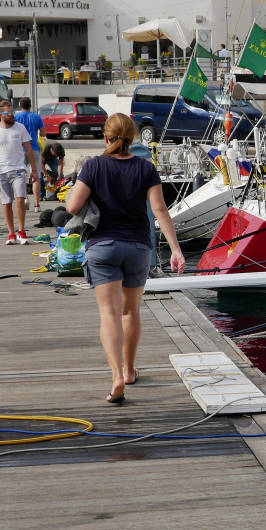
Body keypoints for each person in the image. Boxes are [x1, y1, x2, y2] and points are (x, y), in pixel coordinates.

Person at [65, 114, 185, 404]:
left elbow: (72, 206)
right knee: (130, 312)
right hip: (138, 247)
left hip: (103, 246)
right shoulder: (146, 168)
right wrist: (176, 250)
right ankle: (130, 371)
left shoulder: (93, 166)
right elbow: (160, 210)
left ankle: (116, 374)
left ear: (106, 138)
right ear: (133, 139)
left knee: (109, 314)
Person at [0, 104, 39, 245]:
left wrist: (34, 170)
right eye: (9, 112)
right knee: (7, 203)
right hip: (1, 171)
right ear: (1, 115)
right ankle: (11, 233)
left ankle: (21, 231)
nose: (13, 114)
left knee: (20, 200)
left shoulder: (20, 128)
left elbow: (29, 149)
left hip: (19, 169)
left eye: (13, 111)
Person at [10, 98, 45, 208]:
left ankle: (25, 199)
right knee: (36, 176)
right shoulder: (37, 117)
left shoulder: (16, 117)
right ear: (30, 105)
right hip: (34, 147)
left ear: (20, 106)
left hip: (20, 149)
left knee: (21, 176)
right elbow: (43, 133)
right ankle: (37, 204)